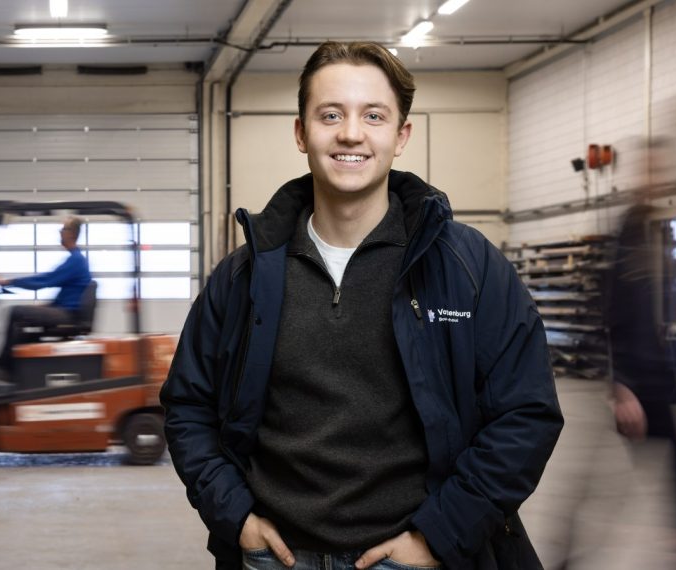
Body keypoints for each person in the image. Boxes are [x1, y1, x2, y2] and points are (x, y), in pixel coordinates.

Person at [160, 41, 564, 570]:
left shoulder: (468, 267)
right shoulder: (244, 277)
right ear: (302, 132)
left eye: (373, 115)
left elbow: (526, 413)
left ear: (401, 137)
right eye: (331, 115)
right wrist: (235, 517)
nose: (351, 133)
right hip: (275, 560)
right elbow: (188, 407)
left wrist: (439, 537)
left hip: (419, 556)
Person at [0, 216, 92, 366]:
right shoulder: (75, 259)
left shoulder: (76, 261)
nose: (60, 232)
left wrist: (8, 282)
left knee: (16, 312)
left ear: (71, 233)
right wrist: (47, 306)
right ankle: (14, 365)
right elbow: (66, 295)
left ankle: (3, 363)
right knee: (21, 323)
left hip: (68, 315)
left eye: (63, 229)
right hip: (65, 311)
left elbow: (45, 280)